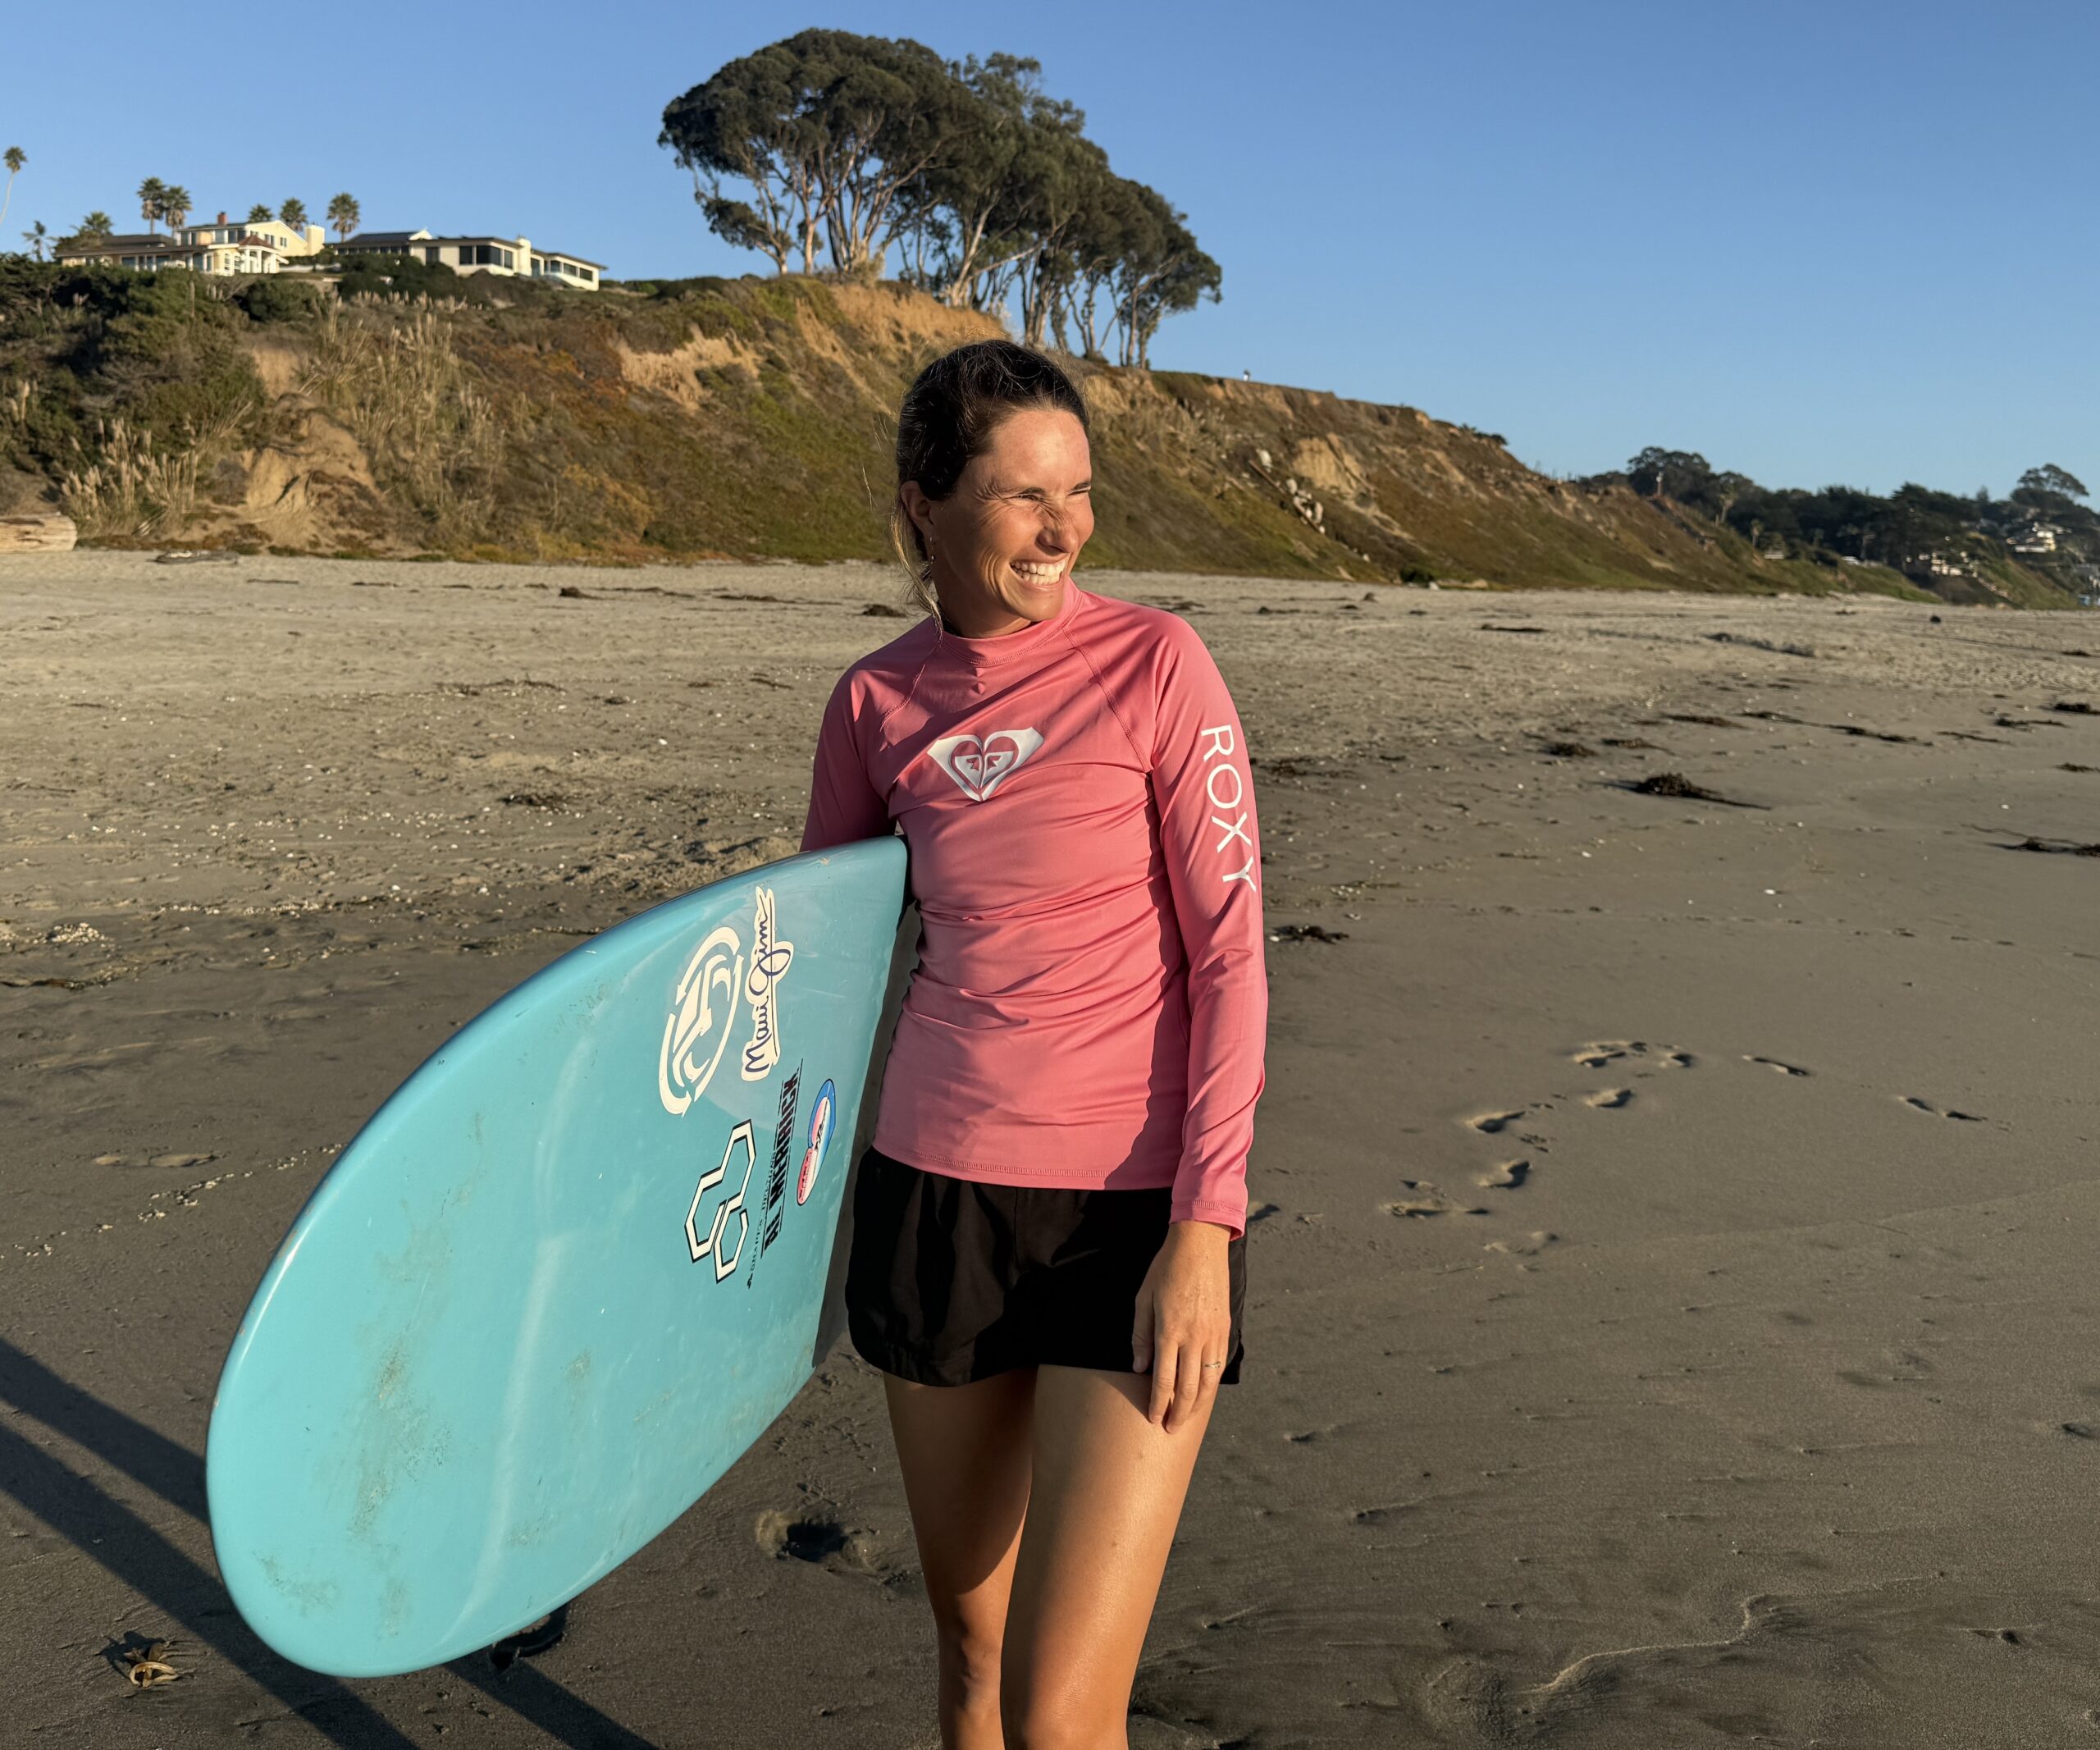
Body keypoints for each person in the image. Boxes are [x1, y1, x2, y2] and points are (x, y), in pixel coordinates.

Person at [800, 338, 1267, 1749]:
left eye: (1079, 491)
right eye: (1022, 495)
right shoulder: (874, 705)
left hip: (1130, 1219)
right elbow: (817, 968)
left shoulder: (1156, 662)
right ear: (923, 507)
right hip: (936, 1192)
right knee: (974, 1652)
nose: (1064, 527)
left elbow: (1234, 954)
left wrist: (1209, 1229)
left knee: (1067, 1718)